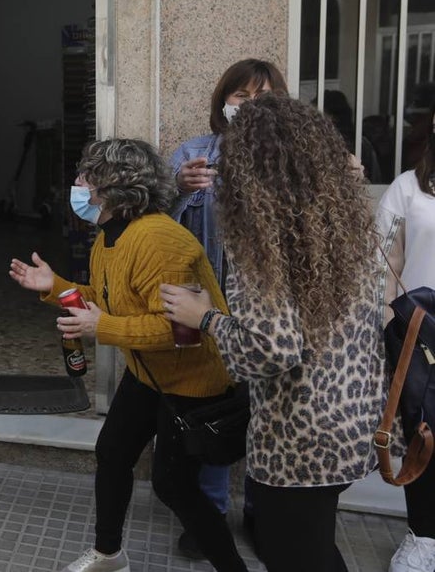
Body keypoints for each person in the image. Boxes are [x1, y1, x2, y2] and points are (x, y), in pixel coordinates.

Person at [163, 95, 382, 572]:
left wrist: (205, 316)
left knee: (296, 557)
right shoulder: (341, 223)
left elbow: (269, 350)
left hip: (299, 439)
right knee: (317, 548)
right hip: (352, 422)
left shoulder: (263, 238)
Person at [10, 138, 246, 572]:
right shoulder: (110, 238)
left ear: (113, 187)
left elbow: (184, 332)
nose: (78, 185)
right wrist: (54, 286)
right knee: (113, 453)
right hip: (147, 372)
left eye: (86, 177)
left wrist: (102, 328)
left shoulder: (161, 241)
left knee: (173, 485)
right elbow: (101, 301)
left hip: (192, 381)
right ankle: (109, 554)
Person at [168, 57, 287, 555]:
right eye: (241, 97)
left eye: (261, 98)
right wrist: (178, 189)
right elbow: (164, 231)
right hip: (207, 307)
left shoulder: (291, 157)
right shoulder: (194, 152)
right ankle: (211, 516)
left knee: (267, 415)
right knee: (215, 412)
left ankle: (263, 514)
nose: (249, 106)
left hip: (268, 311)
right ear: (223, 102)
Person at [378, 106, 435, 572]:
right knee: (425, 434)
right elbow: (386, 260)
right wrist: (390, 322)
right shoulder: (409, 187)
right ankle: (423, 536)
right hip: (421, 331)